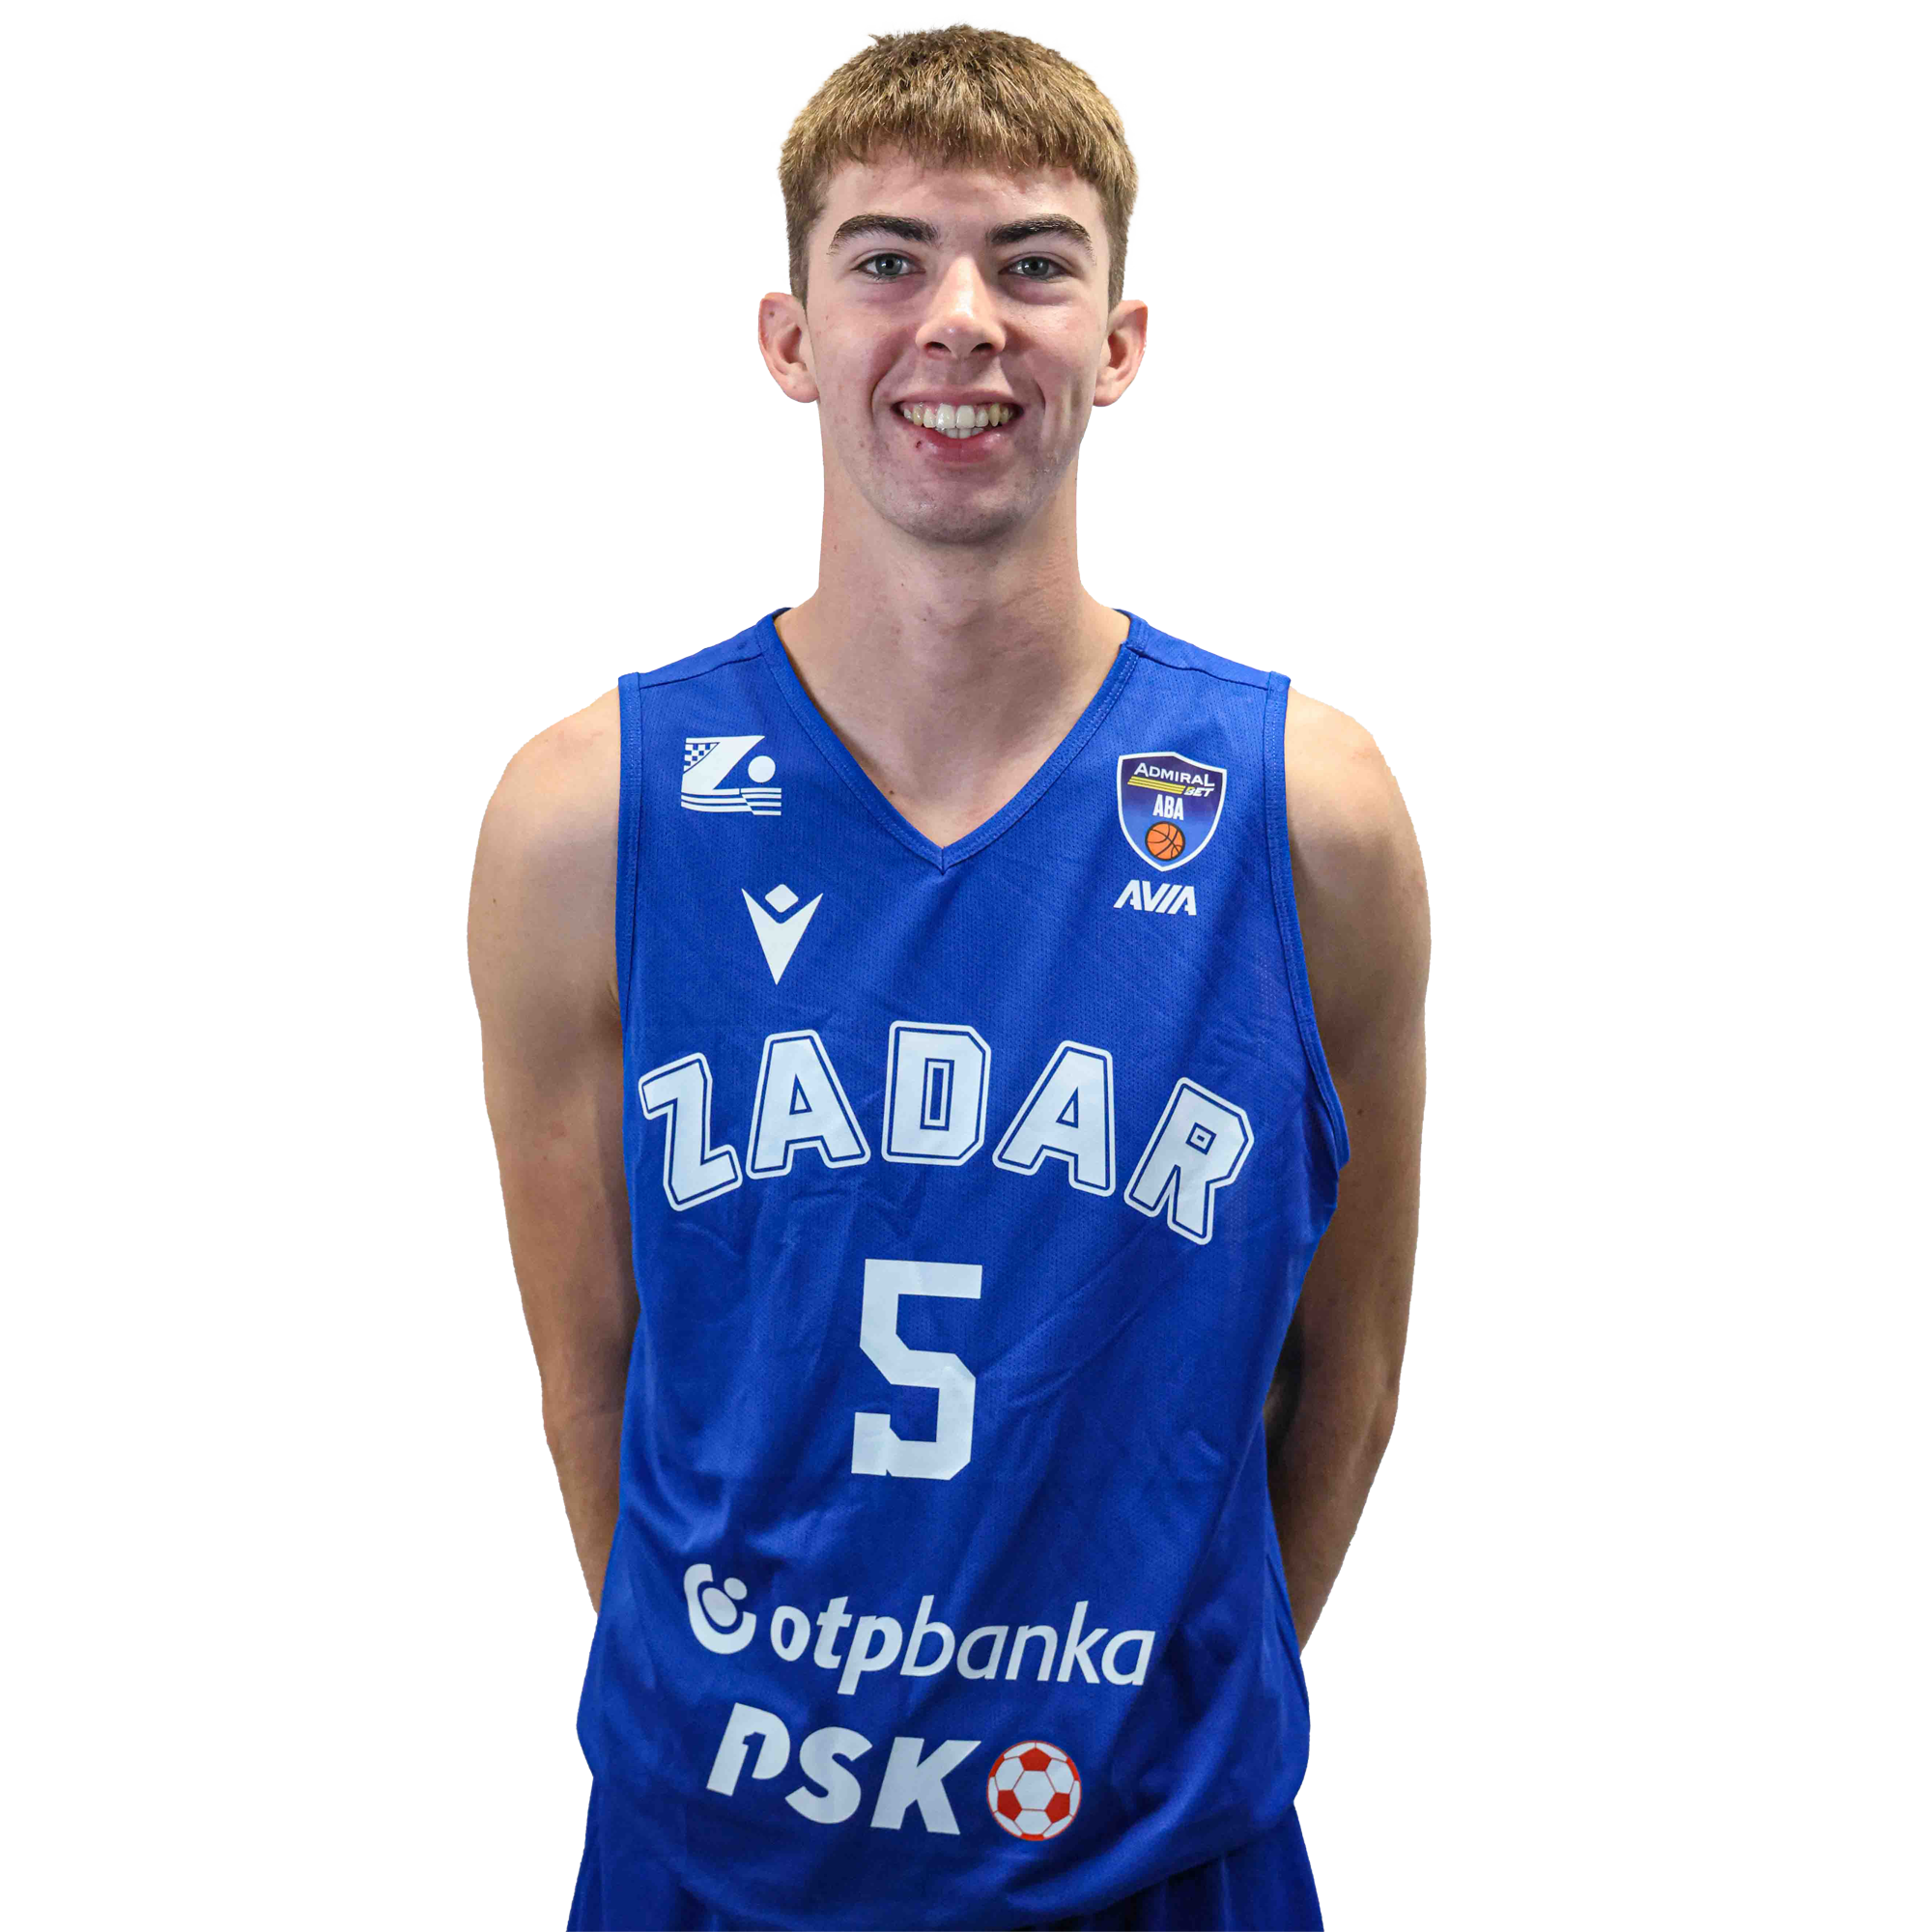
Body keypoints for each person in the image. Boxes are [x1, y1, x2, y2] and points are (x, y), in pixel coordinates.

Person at [469, 21, 1428, 1930]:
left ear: (1118, 342)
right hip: (717, 1850)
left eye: (1034, 263)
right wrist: (742, 1726)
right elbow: (589, 1373)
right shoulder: (588, 815)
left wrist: (1159, 1726)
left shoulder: (1304, 817)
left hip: (1151, 1855)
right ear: (791, 333)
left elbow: (1350, 1365)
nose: (962, 320)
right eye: (889, 258)